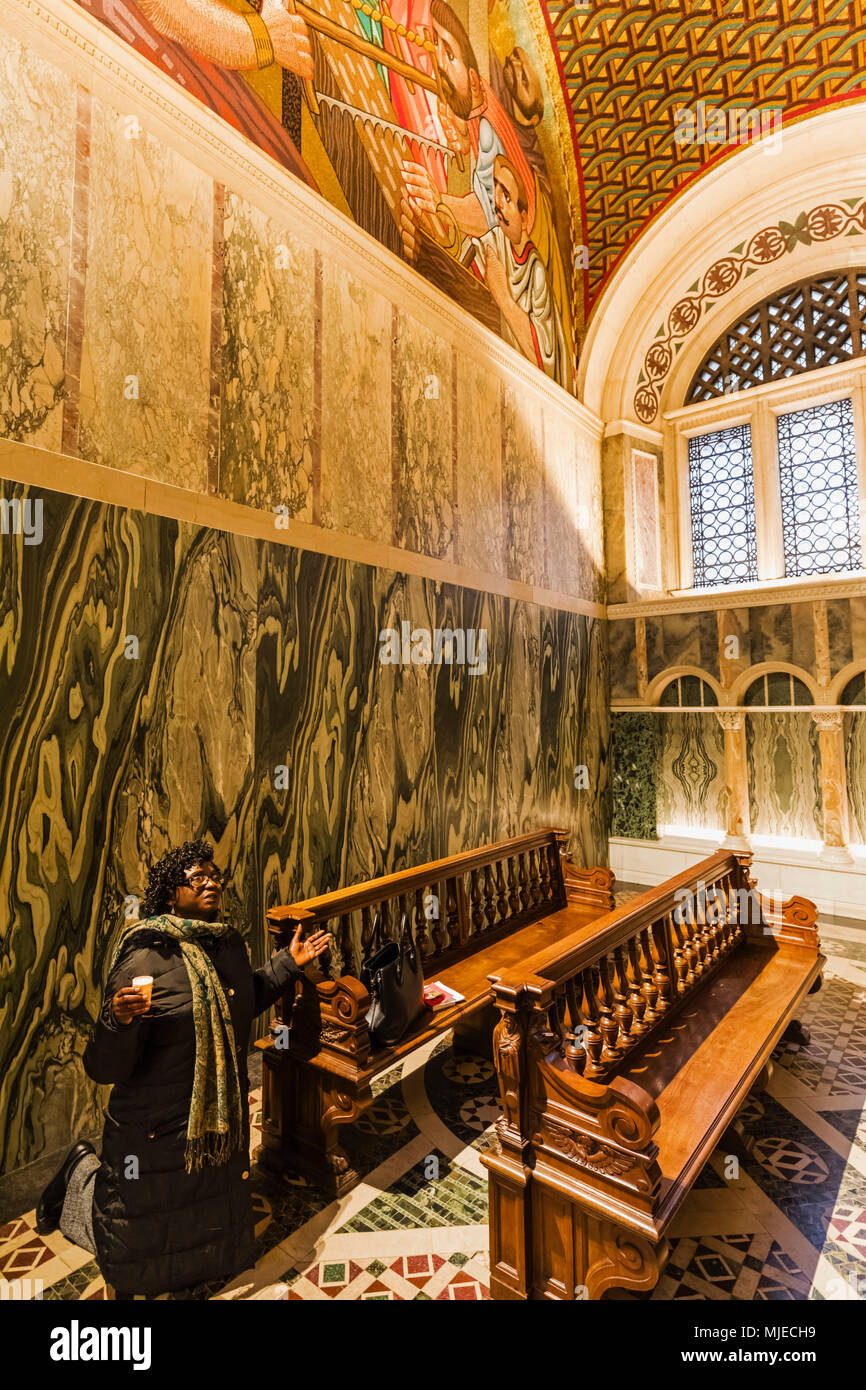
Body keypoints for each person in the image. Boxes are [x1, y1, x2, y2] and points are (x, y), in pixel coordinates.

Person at [35, 839, 331, 1299]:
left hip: (210, 1122)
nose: (213, 882)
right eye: (199, 877)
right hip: (151, 1128)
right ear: (172, 894)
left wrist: (287, 965)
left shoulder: (225, 945)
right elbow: (103, 1066)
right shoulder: (143, 955)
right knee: (130, 1244)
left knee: (201, 1230)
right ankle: (77, 1176)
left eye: (217, 876)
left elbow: (244, 1001)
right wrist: (118, 1021)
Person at [480, 155, 568, 387]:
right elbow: (467, 254)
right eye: (496, 191)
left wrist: (504, 299)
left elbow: (545, 357)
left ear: (524, 217)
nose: (497, 202)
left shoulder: (536, 271)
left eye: (506, 197)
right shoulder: (498, 240)